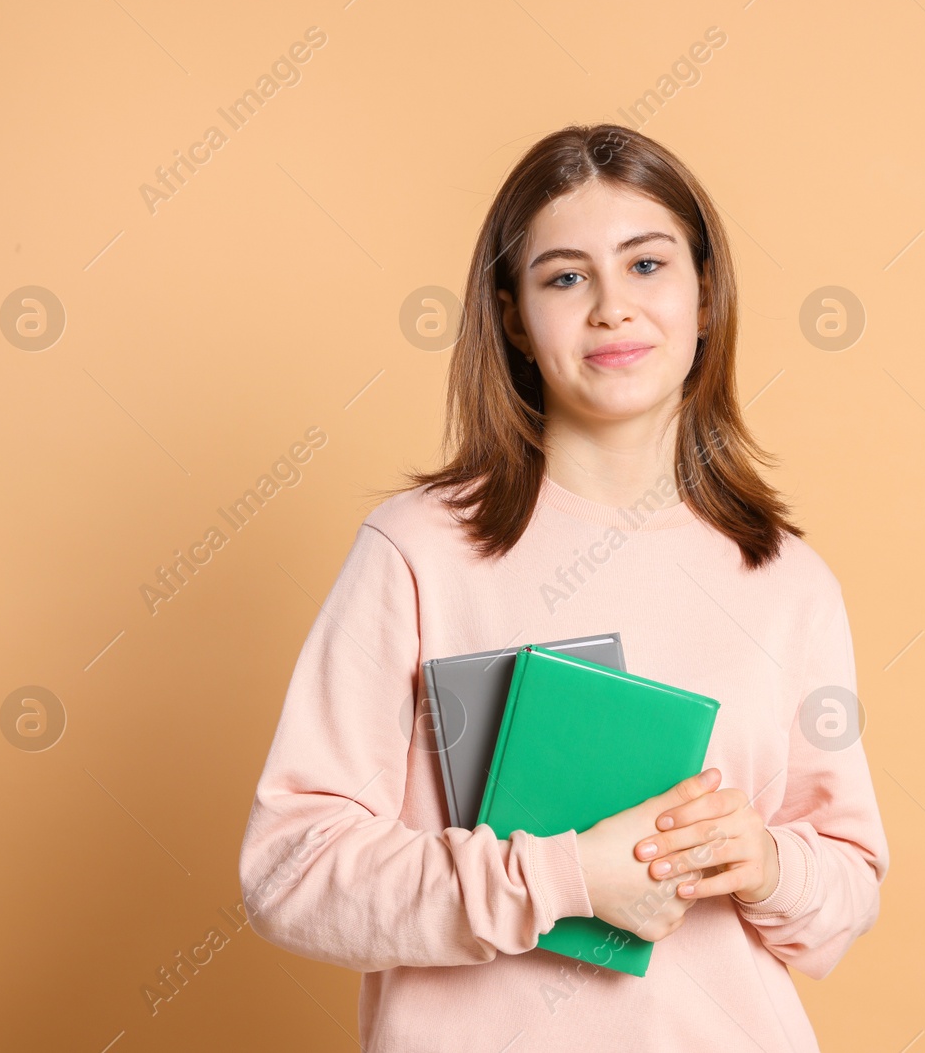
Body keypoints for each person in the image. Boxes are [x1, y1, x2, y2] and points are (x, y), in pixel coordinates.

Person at [238, 122, 889, 1051]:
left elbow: (845, 892)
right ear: (513, 316)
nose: (612, 309)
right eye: (566, 276)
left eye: (648, 265)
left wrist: (768, 861)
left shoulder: (788, 581)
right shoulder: (417, 554)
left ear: (706, 298)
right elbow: (290, 873)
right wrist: (563, 878)